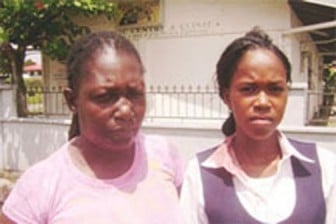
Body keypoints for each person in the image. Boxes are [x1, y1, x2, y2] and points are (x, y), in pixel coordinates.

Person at [1, 31, 185, 223]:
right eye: (105, 96)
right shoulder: (41, 186)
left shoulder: (164, 156)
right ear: (72, 100)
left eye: (135, 93)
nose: (124, 110)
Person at [180, 27, 336, 224]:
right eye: (248, 89)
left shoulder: (323, 167)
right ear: (227, 97)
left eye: (275, 89)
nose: (263, 102)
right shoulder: (201, 175)